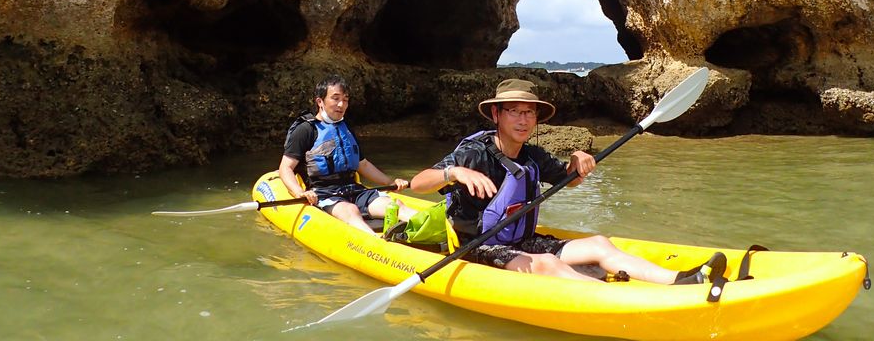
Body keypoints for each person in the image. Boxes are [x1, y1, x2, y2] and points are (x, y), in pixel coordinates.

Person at [409, 78, 725, 284]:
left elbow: (569, 180)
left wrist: (577, 161)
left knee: (600, 244)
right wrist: (454, 173)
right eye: (514, 112)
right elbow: (418, 184)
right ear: (496, 116)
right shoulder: (474, 153)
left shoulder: (532, 155)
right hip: (476, 248)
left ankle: (682, 280)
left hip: (520, 241)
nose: (523, 120)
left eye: (529, 113)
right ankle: (622, 301)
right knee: (545, 263)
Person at [279, 75, 416, 236]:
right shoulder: (306, 130)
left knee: (395, 205)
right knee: (350, 210)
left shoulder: (346, 129)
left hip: (353, 189)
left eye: (345, 99)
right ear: (320, 102)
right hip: (323, 193)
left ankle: (434, 229)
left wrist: (390, 182)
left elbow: (362, 164)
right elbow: (285, 167)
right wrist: (299, 192)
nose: (341, 104)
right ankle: (377, 245)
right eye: (335, 98)